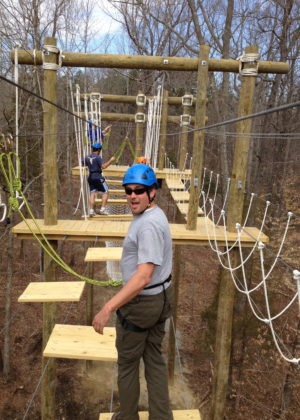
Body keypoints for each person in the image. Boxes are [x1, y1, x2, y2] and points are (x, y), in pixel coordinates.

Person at [92, 164, 174, 420]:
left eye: (139, 191)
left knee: (128, 365)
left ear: (153, 193)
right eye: (128, 191)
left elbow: (143, 276)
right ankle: (161, 416)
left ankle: (127, 416)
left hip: (141, 304)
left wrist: (108, 307)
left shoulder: (147, 226)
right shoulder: (156, 215)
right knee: (154, 360)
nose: (132, 196)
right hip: (160, 299)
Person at [83, 142, 115, 216]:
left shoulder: (87, 157)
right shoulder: (98, 157)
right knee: (106, 192)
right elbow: (103, 166)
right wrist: (111, 160)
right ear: (99, 150)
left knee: (92, 193)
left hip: (90, 177)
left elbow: (83, 163)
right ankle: (102, 209)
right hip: (98, 177)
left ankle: (91, 211)